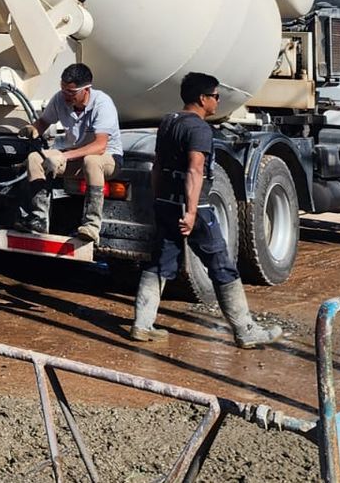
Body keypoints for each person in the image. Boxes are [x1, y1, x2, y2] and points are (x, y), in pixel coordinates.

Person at [130, 72, 283, 348]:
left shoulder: (168, 121)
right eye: (215, 96)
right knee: (221, 264)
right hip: (195, 208)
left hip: (165, 203)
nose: (218, 100)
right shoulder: (199, 129)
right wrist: (190, 213)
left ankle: (142, 324)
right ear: (202, 99)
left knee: (159, 263)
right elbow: (195, 169)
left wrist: (159, 200)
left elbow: (157, 165)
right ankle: (245, 330)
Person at [17, 62, 123, 242]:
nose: (66, 96)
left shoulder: (102, 104)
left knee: (92, 160)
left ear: (86, 89)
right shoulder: (60, 99)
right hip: (75, 156)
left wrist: (62, 156)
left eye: (71, 93)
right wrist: (34, 129)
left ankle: (91, 225)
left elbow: (100, 146)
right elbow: (44, 121)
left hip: (107, 159)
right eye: (63, 90)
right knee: (35, 158)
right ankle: (38, 220)